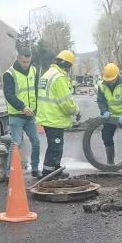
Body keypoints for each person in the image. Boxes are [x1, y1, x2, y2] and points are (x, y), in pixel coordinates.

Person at [36, 50, 81, 179]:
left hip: (47, 116)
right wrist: (77, 111)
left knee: (56, 145)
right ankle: (49, 172)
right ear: (68, 65)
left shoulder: (47, 74)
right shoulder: (59, 78)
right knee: (55, 147)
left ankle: (55, 169)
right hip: (54, 118)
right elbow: (66, 104)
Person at [3, 49, 41, 177]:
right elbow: (9, 95)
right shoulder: (9, 74)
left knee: (36, 141)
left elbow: (36, 90)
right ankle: (10, 173)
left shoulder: (34, 70)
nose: (26, 64)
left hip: (30, 115)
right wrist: (22, 107)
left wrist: (36, 109)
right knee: (16, 144)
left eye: (28, 62)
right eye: (24, 62)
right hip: (16, 115)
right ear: (18, 58)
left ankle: (35, 169)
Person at [96, 62, 122, 171]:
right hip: (110, 115)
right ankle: (110, 162)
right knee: (106, 136)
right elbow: (101, 101)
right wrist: (104, 111)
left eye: (111, 80)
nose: (109, 82)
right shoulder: (101, 85)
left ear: (117, 76)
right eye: (107, 80)